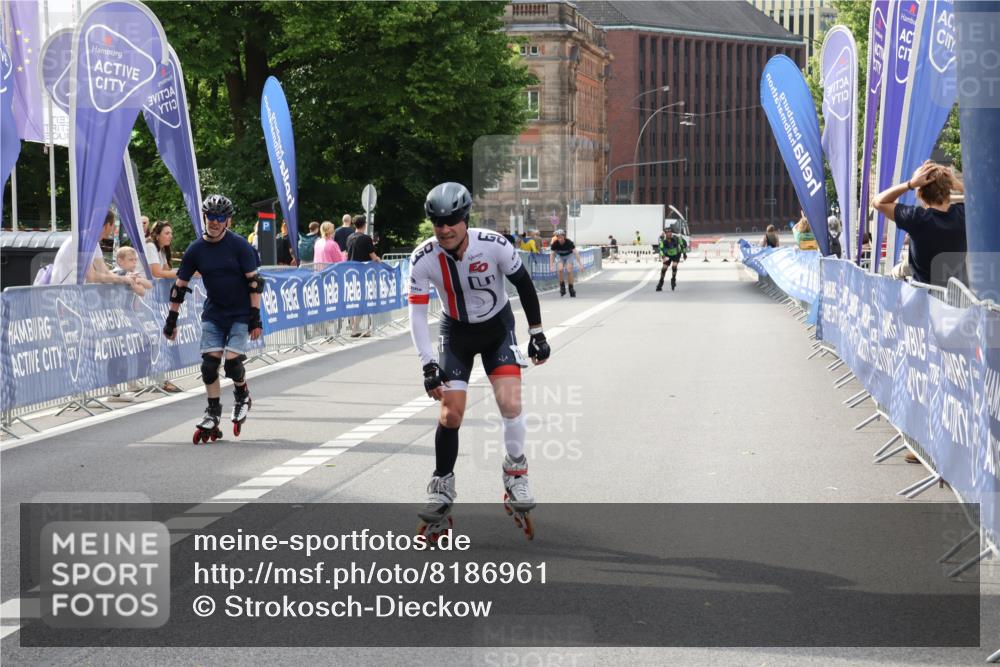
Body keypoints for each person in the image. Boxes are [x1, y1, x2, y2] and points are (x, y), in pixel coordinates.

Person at [408, 182, 550, 538]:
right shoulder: (423, 258)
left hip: (497, 329)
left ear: (465, 218)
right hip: (455, 333)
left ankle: (515, 474)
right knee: (450, 412)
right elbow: (416, 316)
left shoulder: (495, 245)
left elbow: (524, 285)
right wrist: (428, 364)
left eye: (452, 220)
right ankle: (441, 487)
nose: (444, 229)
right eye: (437, 222)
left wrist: (536, 333)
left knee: (510, 402)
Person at [162, 195, 263, 443]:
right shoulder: (196, 249)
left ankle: (242, 395)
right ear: (204, 217)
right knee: (209, 366)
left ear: (227, 220)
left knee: (231, 364)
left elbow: (255, 283)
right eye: (211, 217)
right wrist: (171, 320)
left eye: (220, 218)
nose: (214, 222)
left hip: (240, 313)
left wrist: (255, 318)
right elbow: (179, 286)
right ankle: (213, 412)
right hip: (214, 313)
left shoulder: (240, 246)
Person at [871, 160, 967, 287]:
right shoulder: (963, 214)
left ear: (920, 194)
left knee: (895, 273)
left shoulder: (917, 218)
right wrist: (960, 185)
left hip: (925, 300)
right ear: (949, 188)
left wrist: (910, 184)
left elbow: (878, 202)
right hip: (957, 299)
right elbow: (991, 203)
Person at [49, 210, 145, 294]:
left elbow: (104, 271)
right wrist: (123, 279)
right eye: (113, 225)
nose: (114, 229)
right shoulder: (83, 241)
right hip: (61, 295)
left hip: (69, 293)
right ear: (107, 225)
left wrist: (125, 276)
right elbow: (92, 277)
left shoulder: (92, 241)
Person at [549, 229, 584, 297]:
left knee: (569, 270)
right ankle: (562, 287)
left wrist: (580, 264)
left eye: (561, 237)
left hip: (569, 256)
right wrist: (551, 265)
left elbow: (575, 253)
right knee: (560, 269)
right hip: (560, 256)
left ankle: (571, 288)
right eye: (558, 237)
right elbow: (552, 255)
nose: (560, 239)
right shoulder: (555, 243)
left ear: (564, 237)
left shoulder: (569, 242)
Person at [655, 225, 688, 291]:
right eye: (667, 233)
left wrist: (684, 254)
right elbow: (660, 249)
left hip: (676, 254)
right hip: (667, 254)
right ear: (665, 234)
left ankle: (673, 279)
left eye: (670, 233)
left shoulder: (676, 238)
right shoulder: (663, 240)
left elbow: (682, 246)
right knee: (664, 268)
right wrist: (663, 255)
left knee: (674, 266)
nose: (669, 234)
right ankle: (660, 282)